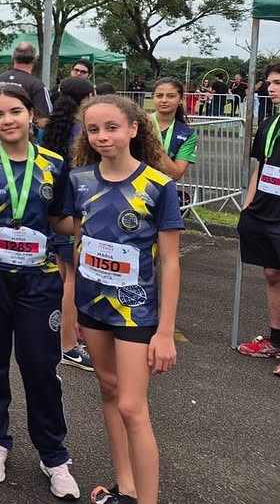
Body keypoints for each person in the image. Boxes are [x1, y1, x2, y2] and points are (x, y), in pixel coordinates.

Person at [0, 85, 79, 499]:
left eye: (15, 112)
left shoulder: (55, 165)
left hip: (40, 280)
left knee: (40, 365)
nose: (7, 120)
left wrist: (94, 225)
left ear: (32, 115)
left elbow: (61, 219)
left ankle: (53, 454)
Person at [64, 95, 183, 504]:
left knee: (132, 406)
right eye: (93, 129)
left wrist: (165, 332)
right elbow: (79, 243)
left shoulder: (159, 186)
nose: (101, 137)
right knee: (109, 392)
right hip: (92, 309)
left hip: (137, 313)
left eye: (111, 127)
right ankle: (126, 489)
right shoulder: (79, 181)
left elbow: (170, 263)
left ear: (134, 128)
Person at [41, 76, 96, 372]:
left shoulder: (54, 128)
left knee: (65, 279)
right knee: (72, 280)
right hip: (73, 211)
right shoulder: (82, 133)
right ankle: (67, 346)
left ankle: (64, 336)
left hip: (57, 209)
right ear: (88, 97)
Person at [235, 61, 280, 375]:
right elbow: (261, 166)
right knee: (272, 274)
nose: (272, 87)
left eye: (278, 82)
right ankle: (275, 340)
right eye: (270, 82)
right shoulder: (269, 123)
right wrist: (248, 203)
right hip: (263, 210)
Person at [0, 42, 52, 128]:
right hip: (24, 137)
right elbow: (43, 120)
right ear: (35, 59)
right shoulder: (37, 85)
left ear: (13, 58)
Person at [150, 78, 197, 183]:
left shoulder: (187, 135)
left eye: (171, 96)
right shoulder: (138, 124)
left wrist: (154, 144)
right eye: (159, 96)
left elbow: (175, 175)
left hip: (162, 190)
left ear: (181, 99)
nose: (164, 100)